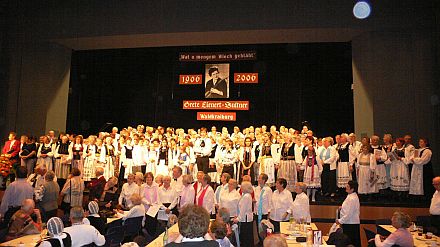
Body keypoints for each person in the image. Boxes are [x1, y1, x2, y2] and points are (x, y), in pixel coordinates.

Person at [336, 180, 360, 247]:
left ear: (352, 189)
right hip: (349, 223)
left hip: (351, 224)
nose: (346, 187)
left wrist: (340, 221)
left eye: (348, 186)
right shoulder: (350, 196)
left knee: (350, 243)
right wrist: (342, 207)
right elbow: (348, 208)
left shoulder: (352, 198)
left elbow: (349, 214)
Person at [233, 181, 254, 247]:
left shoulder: (246, 196)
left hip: (245, 220)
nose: (240, 187)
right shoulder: (245, 195)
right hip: (245, 219)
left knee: (246, 237)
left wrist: (238, 219)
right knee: (246, 237)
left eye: (242, 186)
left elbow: (243, 210)